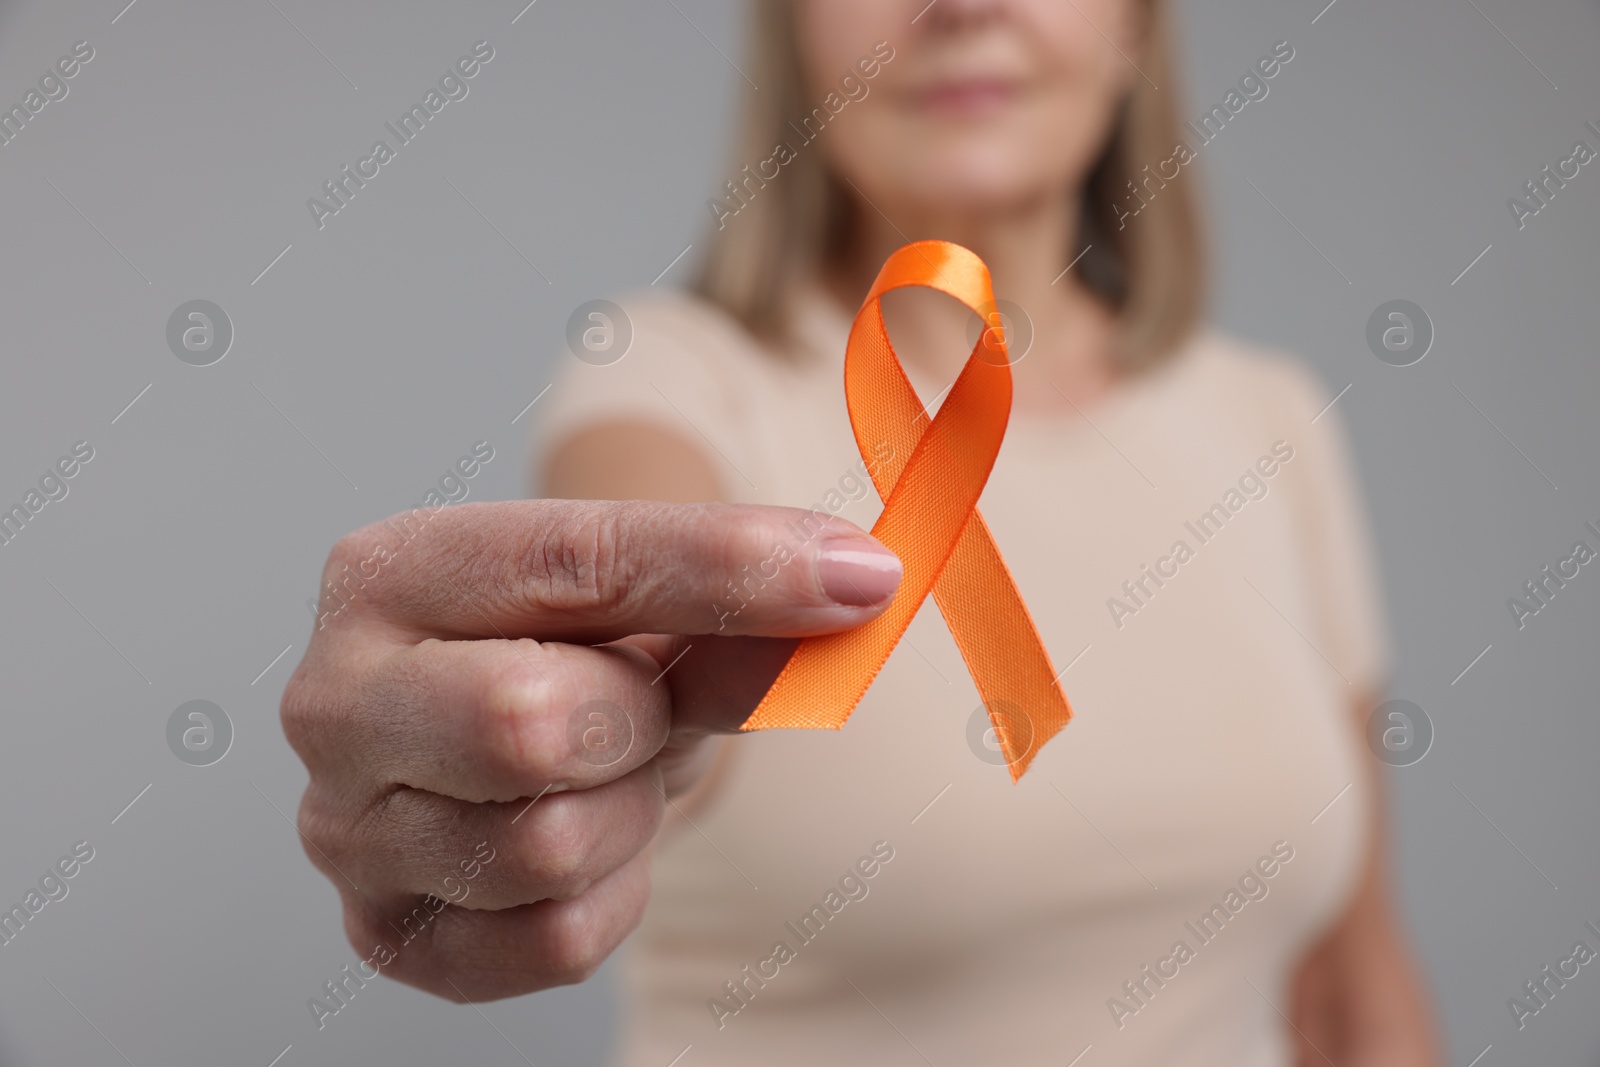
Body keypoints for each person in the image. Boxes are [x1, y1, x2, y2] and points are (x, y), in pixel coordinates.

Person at [282, 0, 1441, 1062]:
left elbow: (1357, 978)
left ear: (1134, 28)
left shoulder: (1268, 415)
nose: (964, 7)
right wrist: (556, 741)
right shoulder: (669, 380)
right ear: (792, 33)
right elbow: (640, 655)